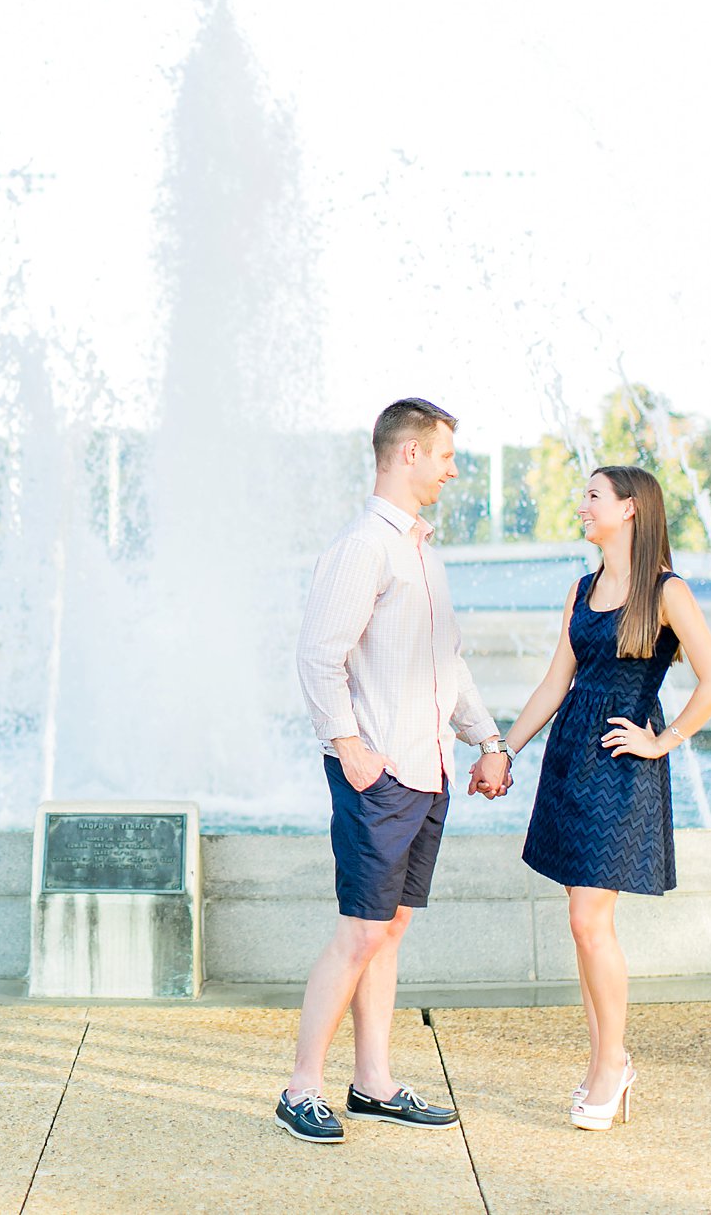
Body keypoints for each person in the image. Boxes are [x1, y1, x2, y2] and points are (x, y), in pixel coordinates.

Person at [275, 398, 515, 1144]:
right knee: (358, 932)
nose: (452, 468)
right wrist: (349, 746)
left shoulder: (422, 552)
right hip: (377, 773)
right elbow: (320, 654)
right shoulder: (364, 547)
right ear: (407, 454)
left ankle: (373, 1083)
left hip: (426, 770)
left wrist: (487, 738)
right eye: (445, 454)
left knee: (389, 931)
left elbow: (447, 664)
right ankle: (299, 1088)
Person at [473, 465, 711, 1131]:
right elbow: (555, 683)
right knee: (581, 923)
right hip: (569, 762)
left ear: (631, 510)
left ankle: (612, 1064)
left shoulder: (667, 591)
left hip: (621, 767)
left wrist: (662, 740)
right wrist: (503, 747)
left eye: (593, 495)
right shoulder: (581, 589)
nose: (581, 504)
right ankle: (603, 1063)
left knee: (592, 922)